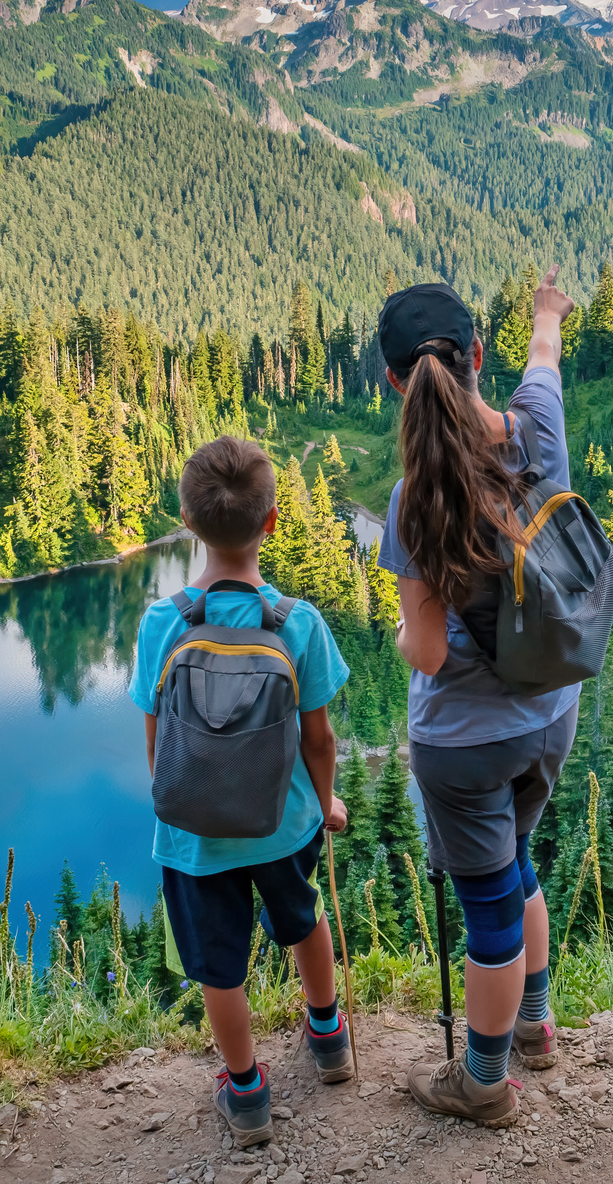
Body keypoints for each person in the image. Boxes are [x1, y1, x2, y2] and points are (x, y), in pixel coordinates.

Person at [376, 266, 578, 1124]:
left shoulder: (411, 499)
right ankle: (534, 1025)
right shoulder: (537, 431)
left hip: (463, 743)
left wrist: (396, 629)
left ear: (394, 382)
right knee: (517, 865)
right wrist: (545, 311)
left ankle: (484, 1083)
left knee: (488, 908)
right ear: (477, 357)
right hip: (550, 716)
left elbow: (423, 651)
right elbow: (545, 359)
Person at [129, 436, 355, 1146]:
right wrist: (324, 803)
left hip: (193, 836)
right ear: (272, 521)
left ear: (187, 523)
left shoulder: (162, 623)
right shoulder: (297, 623)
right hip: (282, 823)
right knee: (303, 918)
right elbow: (317, 739)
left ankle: (247, 1092)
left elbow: (155, 739)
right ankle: (328, 1038)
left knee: (218, 966)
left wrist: (177, 799)